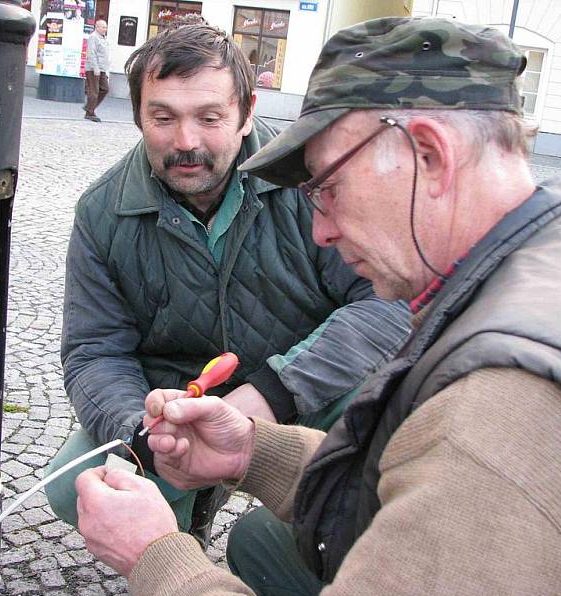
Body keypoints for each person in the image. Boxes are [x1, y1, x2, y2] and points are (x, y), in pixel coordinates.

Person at [74, 17, 561, 596]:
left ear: (430, 155)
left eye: (328, 189)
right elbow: (414, 470)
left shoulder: (501, 409)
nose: (320, 229)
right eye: (163, 116)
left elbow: (459, 461)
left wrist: (158, 558)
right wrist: (253, 450)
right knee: (258, 543)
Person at [46, 20, 412, 550]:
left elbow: (386, 303)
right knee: (69, 484)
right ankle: (179, 541)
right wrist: (141, 433)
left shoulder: (313, 182)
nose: (186, 142)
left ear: (247, 114)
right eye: (163, 118)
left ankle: (294, 550)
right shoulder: (103, 211)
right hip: (173, 402)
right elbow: (94, 350)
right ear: (138, 116)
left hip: (304, 386)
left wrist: (270, 395)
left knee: (382, 446)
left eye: (210, 117)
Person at [83, 19, 109, 122]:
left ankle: (89, 106)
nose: (105, 29)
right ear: (97, 27)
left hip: (102, 69)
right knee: (94, 91)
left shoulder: (103, 38)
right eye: (103, 27)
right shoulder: (93, 37)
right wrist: (95, 68)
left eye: (105, 27)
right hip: (94, 68)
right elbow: (91, 53)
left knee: (105, 89)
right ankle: (90, 113)